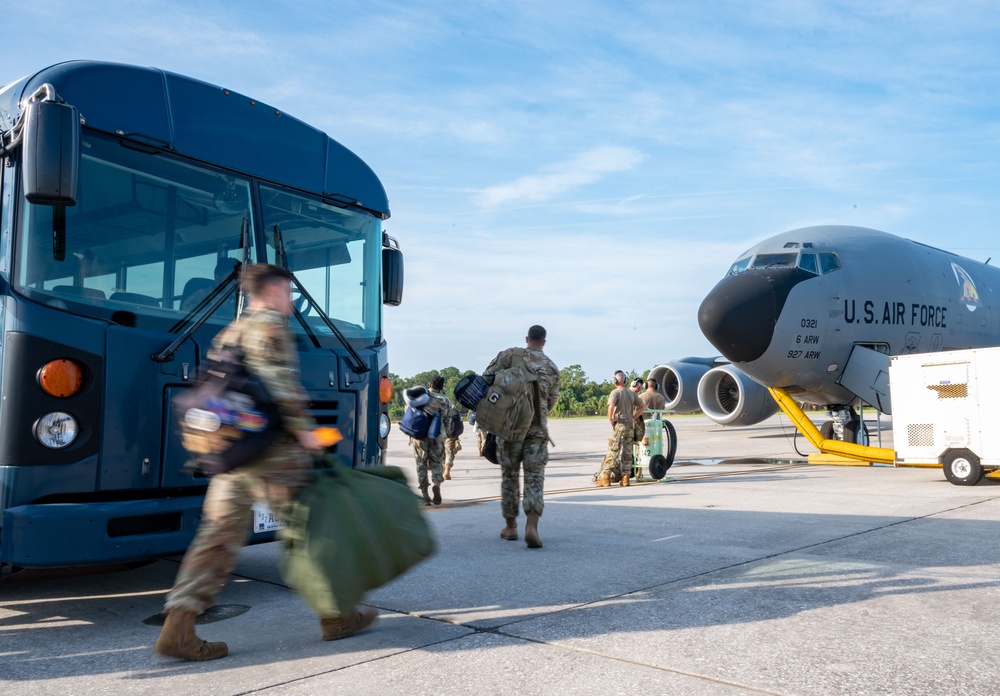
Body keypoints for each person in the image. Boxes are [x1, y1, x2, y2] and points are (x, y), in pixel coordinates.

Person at [154, 264, 376, 662]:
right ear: (272, 291)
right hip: (273, 454)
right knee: (310, 532)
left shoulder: (231, 329)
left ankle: (179, 626)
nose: (291, 300)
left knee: (217, 537)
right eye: (288, 292)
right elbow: (280, 385)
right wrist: (307, 431)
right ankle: (337, 616)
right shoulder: (270, 326)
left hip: (232, 451)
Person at [482, 325, 559, 548]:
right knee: (535, 478)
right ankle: (532, 527)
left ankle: (511, 527)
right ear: (544, 342)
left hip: (509, 430)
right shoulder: (551, 368)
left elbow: (486, 378)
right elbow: (551, 402)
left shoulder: (510, 355)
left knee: (509, 477)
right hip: (537, 432)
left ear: (527, 339)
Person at [595, 370, 646, 488]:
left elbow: (611, 406)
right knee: (627, 452)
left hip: (620, 425)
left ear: (615, 380)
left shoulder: (615, 392)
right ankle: (625, 478)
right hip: (629, 426)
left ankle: (606, 477)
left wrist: (611, 419)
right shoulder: (631, 393)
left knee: (614, 451)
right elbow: (643, 406)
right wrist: (633, 417)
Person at [411, 375, 454, 505]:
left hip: (420, 435)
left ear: (430, 384)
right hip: (437, 435)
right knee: (436, 462)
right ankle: (437, 484)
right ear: (442, 386)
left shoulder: (421, 396)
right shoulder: (445, 400)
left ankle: (425, 495)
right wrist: (445, 434)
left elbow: (410, 412)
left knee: (421, 464)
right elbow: (448, 420)